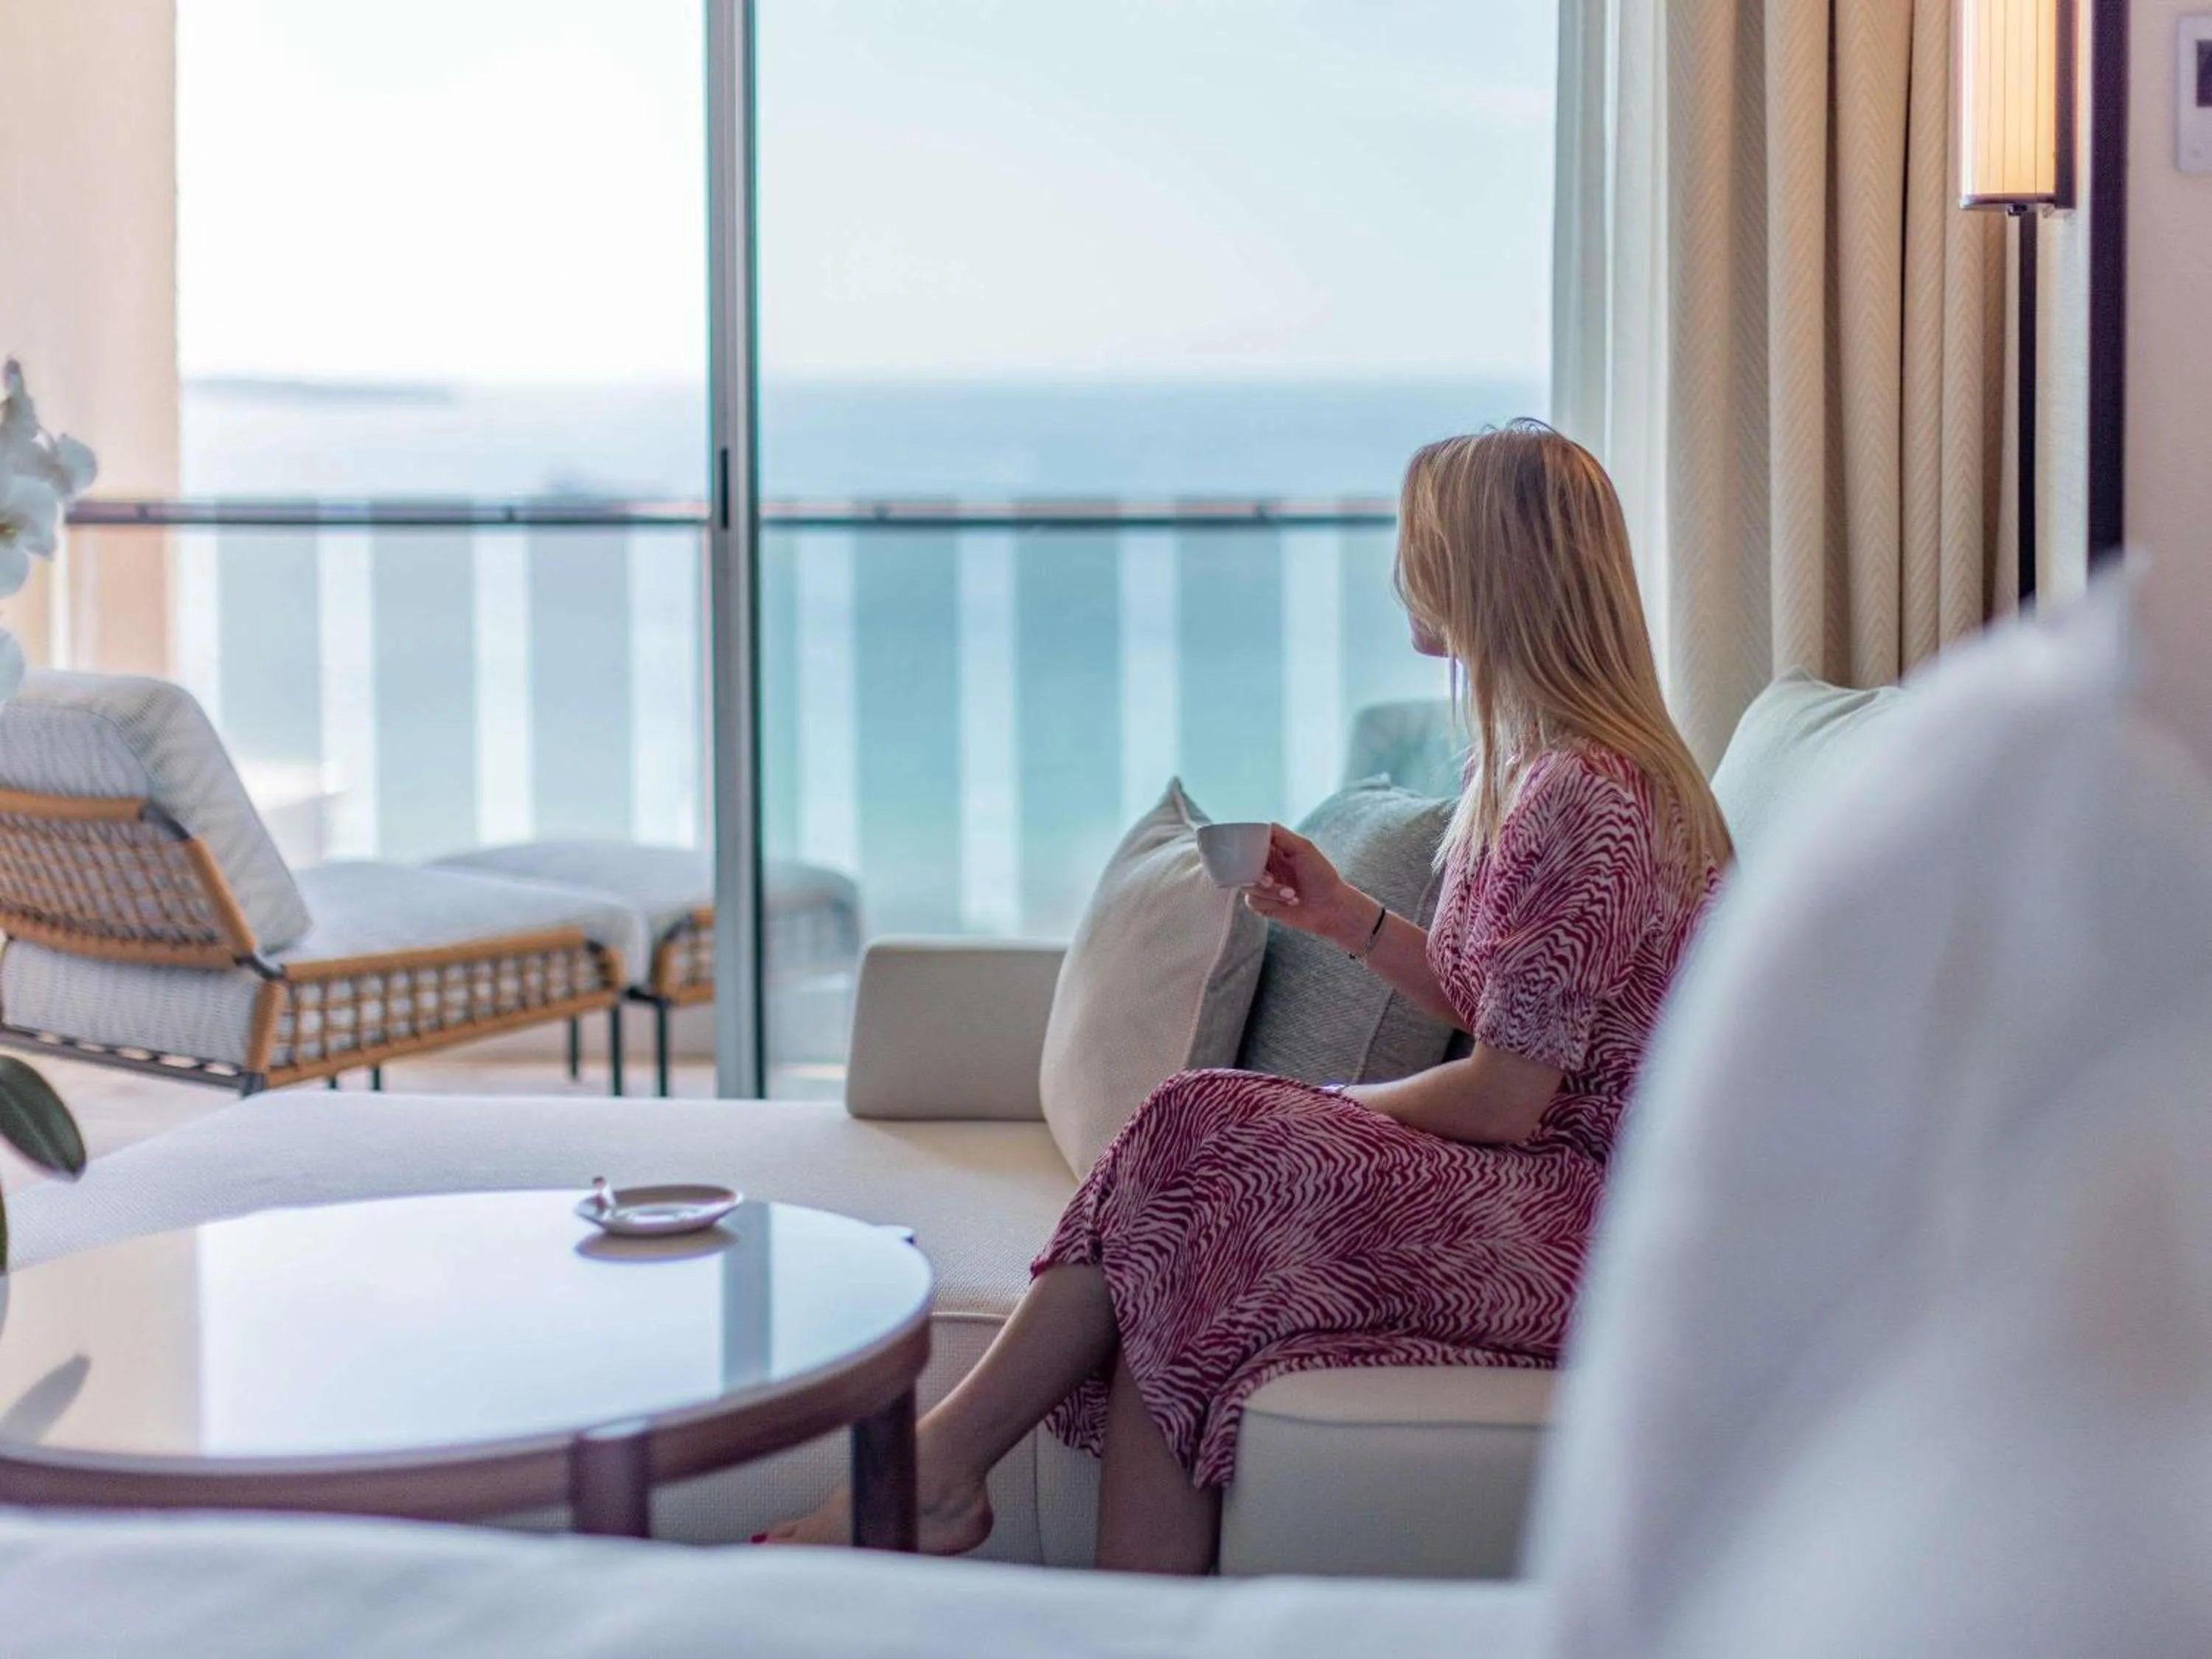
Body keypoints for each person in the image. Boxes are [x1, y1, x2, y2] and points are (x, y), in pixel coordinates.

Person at [766, 420, 1729, 1572]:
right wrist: (1347, 919)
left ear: (1484, 567)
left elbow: (1508, 1096)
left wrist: (1316, 1107)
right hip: (1543, 1184)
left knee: (1203, 1134)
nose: (1396, 573)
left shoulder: (1586, 794)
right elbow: (1506, 1004)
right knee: (1187, 1222)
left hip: (1588, 1225)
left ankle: (932, 1474)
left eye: (1417, 544)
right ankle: (1019, 1535)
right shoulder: (1530, 763)